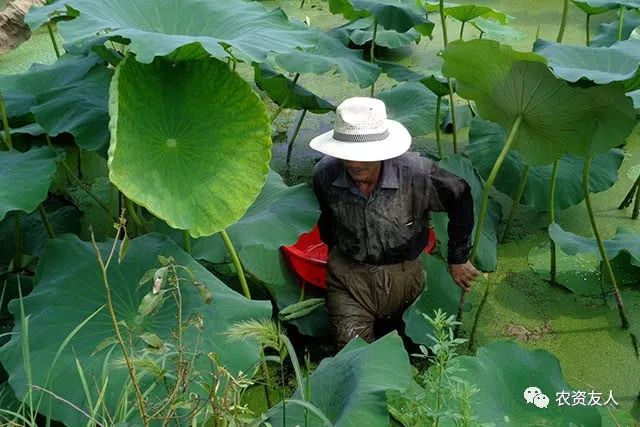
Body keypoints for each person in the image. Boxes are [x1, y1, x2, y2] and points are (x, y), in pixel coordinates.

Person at [309, 97, 479, 348]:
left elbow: (461, 196)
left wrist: (458, 257)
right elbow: (326, 223)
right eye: (346, 155)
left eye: (363, 156)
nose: (353, 164)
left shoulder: (416, 173)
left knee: (414, 345)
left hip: (406, 273)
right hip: (349, 277)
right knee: (352, 352)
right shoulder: (324, 174)